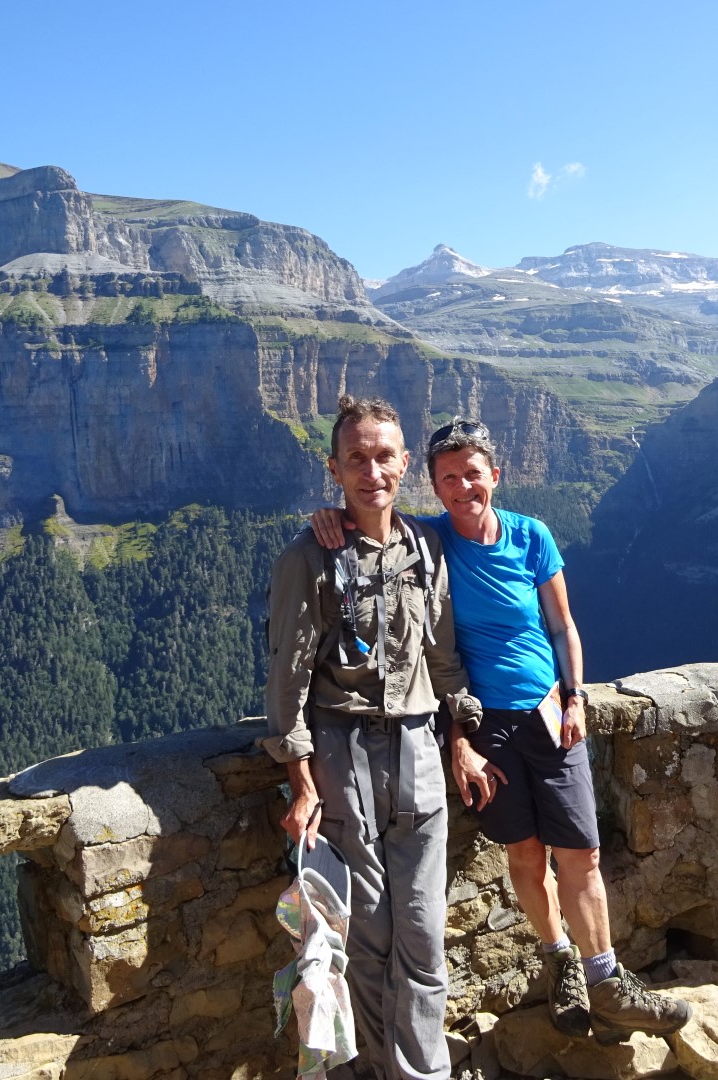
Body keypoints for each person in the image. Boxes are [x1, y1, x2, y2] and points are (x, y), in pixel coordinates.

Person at [311, 417, 691, 1044]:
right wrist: (327, 519)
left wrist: (574, 695)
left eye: (472, 474)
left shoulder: (531, 535)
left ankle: (606, 980)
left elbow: (562, 626)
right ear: (433, 485)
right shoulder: (428, 539)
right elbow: (369, 517)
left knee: (583, 852)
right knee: (524, 852)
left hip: (547, 710)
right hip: (483, 723)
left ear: (496, 474)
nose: (462, 487)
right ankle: (561, 963)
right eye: (448, 478)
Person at [261, 395, 490, 1080]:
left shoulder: (425, 547)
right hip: (343, 754)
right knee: (366, 934)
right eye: (356, 458)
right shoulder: (307, 557)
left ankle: (423, 1073)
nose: (371, 471)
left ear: (404, 464)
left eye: (384, 456)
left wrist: (461, 735)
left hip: (420, 747)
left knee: (423, 935)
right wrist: (300, 779)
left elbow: (443, 656)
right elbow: (288, 676)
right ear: (334, 468)